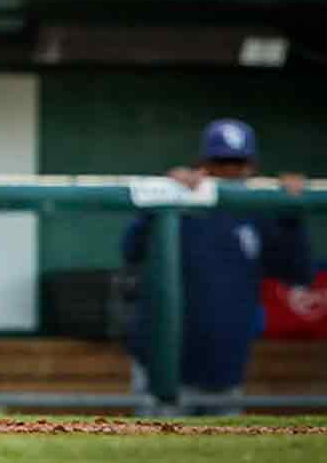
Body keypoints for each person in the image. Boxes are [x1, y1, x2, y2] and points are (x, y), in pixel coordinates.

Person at [122, 119, 313, 416]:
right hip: (163, 369)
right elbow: (130, 250)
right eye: (221, 163)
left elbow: (298, 273)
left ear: (252, 167)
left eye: (238, 163)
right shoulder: (179, 201)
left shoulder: (259, 213)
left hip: (225, 371)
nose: (230, 171)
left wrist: (292, 216)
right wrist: (160, 199)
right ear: (204, 164)